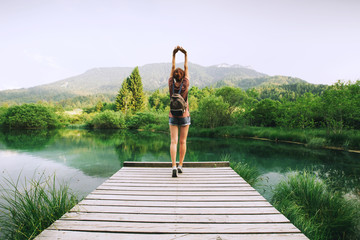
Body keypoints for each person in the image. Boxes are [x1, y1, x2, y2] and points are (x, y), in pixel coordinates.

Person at [169, 46, 190, 177]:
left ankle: (173, 166)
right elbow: (186, 68)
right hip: (184, 115)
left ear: (174, 76)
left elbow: (172, 69)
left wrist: (174, 55)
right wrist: (185, 54)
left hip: (172, 114)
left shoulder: (171, 83)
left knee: (173, 141)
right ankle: (181, 165)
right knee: (183, 141)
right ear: (182, 76)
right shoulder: (186, 83)